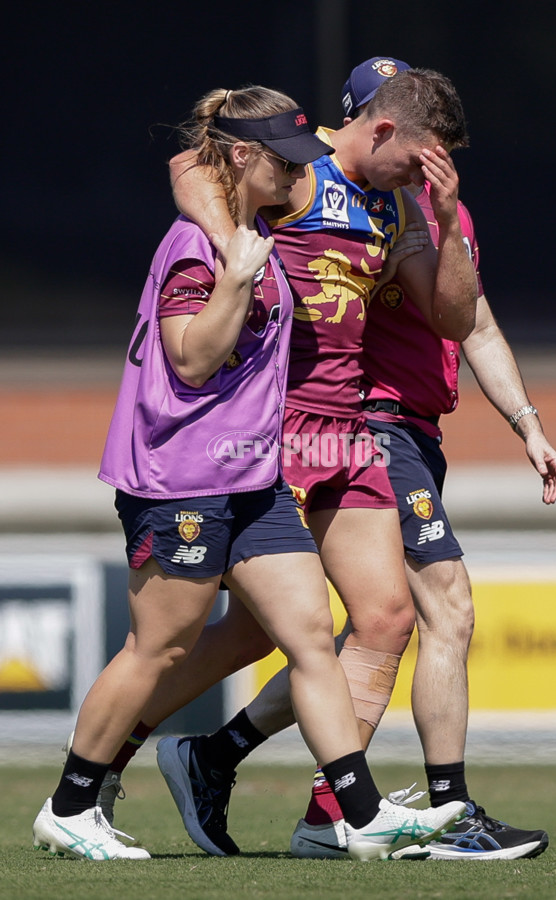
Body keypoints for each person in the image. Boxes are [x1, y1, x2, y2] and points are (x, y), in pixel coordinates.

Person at [32, 85, 465, 863]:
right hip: (193, 467)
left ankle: (353, 816)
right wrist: (234, 261)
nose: (302, 175)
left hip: (267, 461)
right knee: (161, 644)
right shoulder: (212, 237)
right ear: (245, 158)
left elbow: (462, 320)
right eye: (286, 162)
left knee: (308, 630)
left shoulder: (344, 213)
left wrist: (442, 219)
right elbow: (193, 355)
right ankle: (75, 797)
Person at [150, 61, 556, 862]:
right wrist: (234, 244)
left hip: (414, 430)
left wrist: (526, 420)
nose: (424, 167)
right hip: (368, 425)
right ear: (377, 125)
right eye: (412, 150)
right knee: (441, 608)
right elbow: (195, 165)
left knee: (327, 630)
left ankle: (223, 762)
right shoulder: (313, 181)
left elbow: (467, 324)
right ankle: (437, 809)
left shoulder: (420, 201)